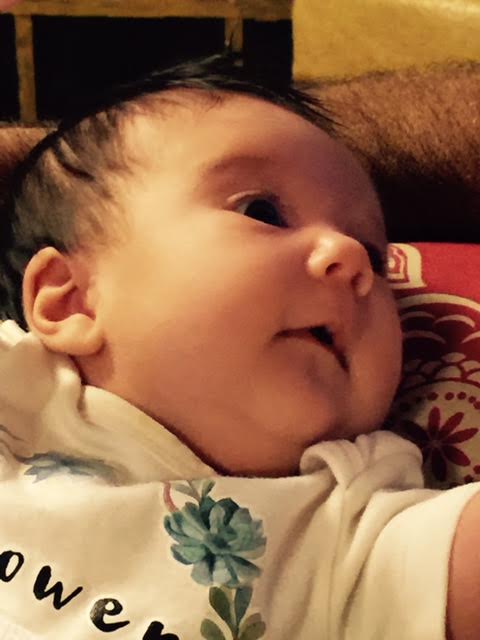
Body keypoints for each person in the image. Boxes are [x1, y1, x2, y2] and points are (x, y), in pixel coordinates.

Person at [0, 55, 478, 640]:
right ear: (70, 301)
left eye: (376, 259)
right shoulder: (15, 392)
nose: (349, 256)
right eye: (262, 212)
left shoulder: (352, 531)